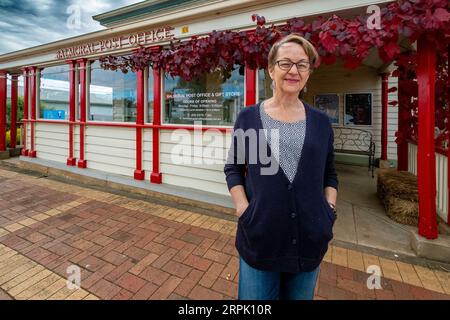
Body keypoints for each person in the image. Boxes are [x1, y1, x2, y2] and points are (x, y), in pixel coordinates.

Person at [224, 34, 338, 300]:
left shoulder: (321, 122)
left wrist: (328, 209)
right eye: (285, 63)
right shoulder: (248, 118)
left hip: (309, 240)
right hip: (260, 237)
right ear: (271, 70)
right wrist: (243, 209)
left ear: (309, 72)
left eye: (302, 64)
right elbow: (233, 168)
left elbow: (330, 173)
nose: (293, 71)